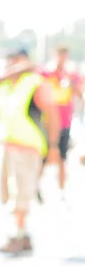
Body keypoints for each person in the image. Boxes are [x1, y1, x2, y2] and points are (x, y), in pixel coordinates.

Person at [0, 48, 56, 256]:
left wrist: (53, 147)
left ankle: (19, 235)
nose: (11, 65)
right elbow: (1, 115)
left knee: (21, 195)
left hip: (27, 148)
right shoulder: (10, 86)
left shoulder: (35, 83)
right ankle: (22, 235)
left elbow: (52, 114)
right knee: (11, 194)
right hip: (12, 146)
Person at [40, 45, 76, 193]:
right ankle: (36, 188)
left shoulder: (69, 75)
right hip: (48, 122)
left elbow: (78, 92)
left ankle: (61, 192)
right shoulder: (46, 74)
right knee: (43, 158)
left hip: (65, 122)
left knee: (62, 159)